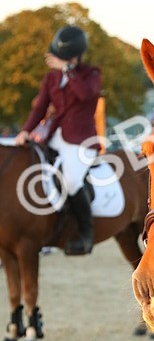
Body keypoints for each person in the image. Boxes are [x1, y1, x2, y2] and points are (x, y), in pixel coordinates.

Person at [15, 25, 101, 255]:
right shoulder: (51, 77)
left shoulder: (92, 74)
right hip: (53, 138)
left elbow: (85, 94)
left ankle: (86, 234)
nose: (54, 60)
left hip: (81, 142)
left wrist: (67, 70)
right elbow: (40, 106)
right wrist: (25, 131)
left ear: (73, 57)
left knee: (71, 182)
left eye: (61, 58)